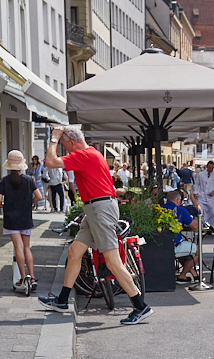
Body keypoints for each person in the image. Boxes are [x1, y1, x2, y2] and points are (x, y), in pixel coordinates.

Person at [39, 126, 152, 325]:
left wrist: (54, 139)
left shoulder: (82, 155)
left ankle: (140, 305)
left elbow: (50, 162)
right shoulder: (92, 154)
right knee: (75, 252)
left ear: (71, 142)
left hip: (100, 209)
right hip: (96, 208)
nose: (64, 148)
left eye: (65, 144)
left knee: (112, 261)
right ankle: (63, 300)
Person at [0, 150, 43, 291]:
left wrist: (3, 205)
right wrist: (30, 202)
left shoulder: (4, 181)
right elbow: (39, 197)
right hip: (25, 216)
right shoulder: (29, 180)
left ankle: (23, 278)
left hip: (11, 218)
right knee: (26, 247)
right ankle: (32, 277)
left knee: (18, 247)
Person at [163, 190, 199, 285]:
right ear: (178, 201)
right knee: (197, 251)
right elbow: (194, 225)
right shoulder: (181, 210)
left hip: (160, 245)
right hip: (173, 245)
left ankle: (194, 274)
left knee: (183, 250)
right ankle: (182, 276)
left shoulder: (160, 208)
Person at [195, 160, 214, 229]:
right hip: (202, 196)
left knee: (212, 213)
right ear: (207, 167)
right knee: (202, 212)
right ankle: (202, 226)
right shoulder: (201, 174)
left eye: (212, 168)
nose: (211, 169)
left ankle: (212, 227)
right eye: (209, 167)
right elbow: (196, 184)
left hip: (211, 197)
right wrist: (196, 192)